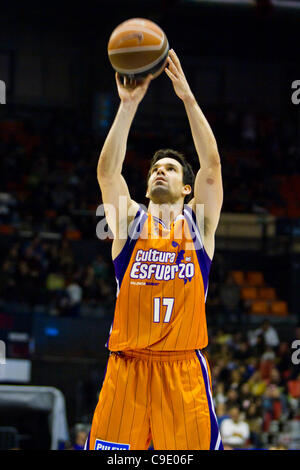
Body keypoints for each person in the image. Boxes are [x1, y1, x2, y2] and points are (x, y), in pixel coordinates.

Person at [85, 49, 223, 450]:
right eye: (154, 169)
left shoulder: (199, 226)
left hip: (182, 371)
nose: (160, 170)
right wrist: (127, 106)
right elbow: (107, 173)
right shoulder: (130, 223)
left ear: (186, 189)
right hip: (126, 369)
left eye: (171, 168)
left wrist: (188, 99)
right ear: (146, 188)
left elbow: (212, 167)